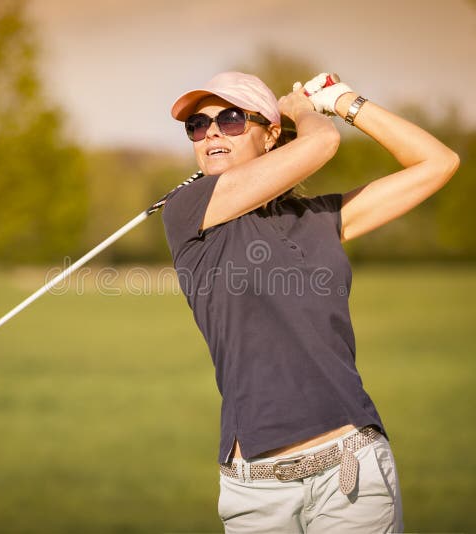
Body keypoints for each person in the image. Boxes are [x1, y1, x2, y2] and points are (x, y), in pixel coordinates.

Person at [161, 71, 459, 533]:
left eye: (233, 118)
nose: (213, 131)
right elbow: (321, 146)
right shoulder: (189, 211)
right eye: (197, 125)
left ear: (271, 134)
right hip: (255, 491)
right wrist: (304, 111)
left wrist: (344, 101)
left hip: (350, 473)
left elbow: (438, 163)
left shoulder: (321, 218)